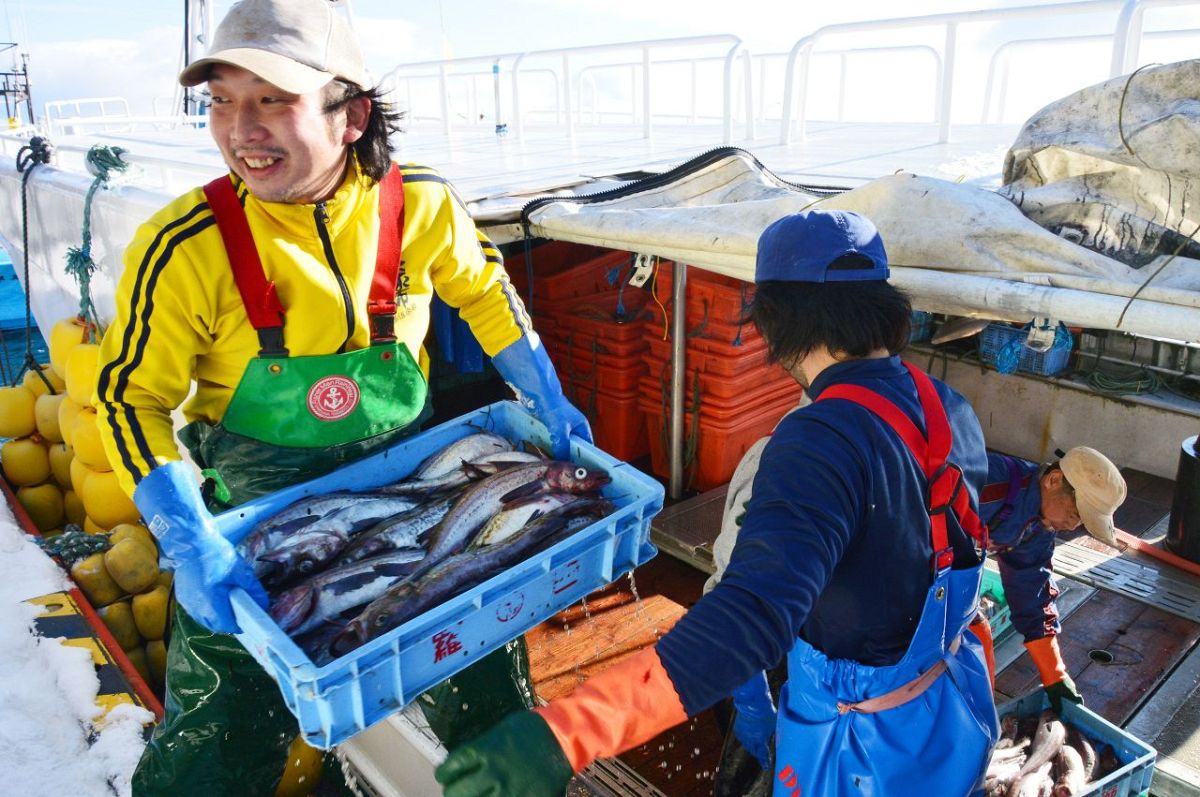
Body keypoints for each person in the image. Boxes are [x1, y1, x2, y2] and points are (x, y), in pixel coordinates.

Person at [92, 0, 590, 793]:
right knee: (213, 744)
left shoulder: (420, 201)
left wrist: (546, 395)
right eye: (222, 100)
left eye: (272, 100)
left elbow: (487, 294)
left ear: (351, 114)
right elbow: (128, 401)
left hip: (420, 487)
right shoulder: (182, 246)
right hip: (257, 522)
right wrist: (188, 538)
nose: (240, 129)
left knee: (491, 695)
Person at [435, 209, 1000, 797]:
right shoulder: (947, 406)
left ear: (776, 323)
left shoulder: (816, 440)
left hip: (860, 750)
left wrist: (570, 732)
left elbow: (753, 615)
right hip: (948, 705)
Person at [979, 447, 1127, 711]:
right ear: (1053, 480)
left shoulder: (1039, 526)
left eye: (1081, 521)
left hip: (946, 570)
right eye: (1075, 512)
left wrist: (1055, 675)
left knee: (977, 636)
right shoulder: (986, 481)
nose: (1072, 527)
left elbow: (1032, 593)